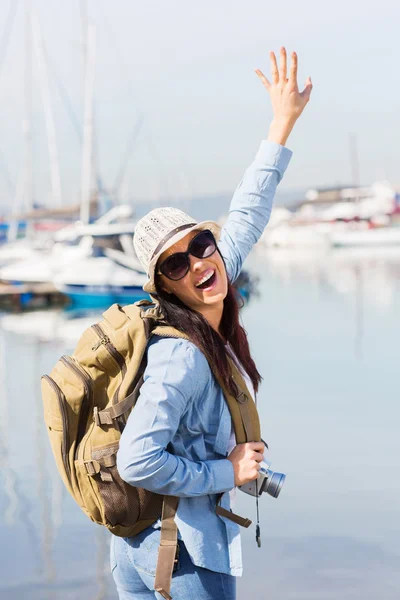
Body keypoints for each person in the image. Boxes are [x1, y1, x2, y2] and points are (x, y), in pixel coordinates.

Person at [111, 47, 312, 600]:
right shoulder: (183, 353)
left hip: (143, 546)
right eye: (178, 263)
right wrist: (228, 473)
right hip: (180, 556)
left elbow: (247, 212)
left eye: (202, 246)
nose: (200, 263)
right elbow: (137, 459)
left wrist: (282, 122)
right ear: (165, 285)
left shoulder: (213, 283)